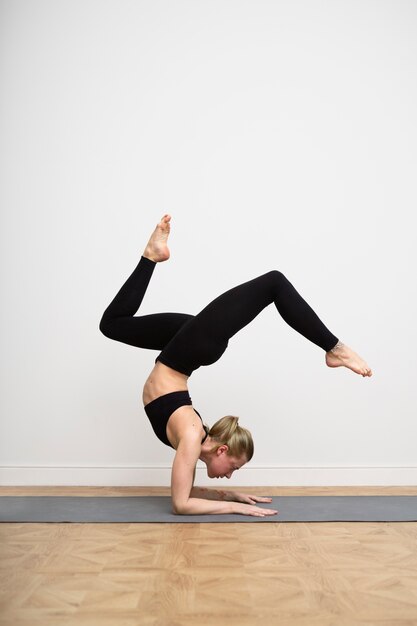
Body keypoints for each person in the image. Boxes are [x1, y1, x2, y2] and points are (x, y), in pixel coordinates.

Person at [100, 215, 372, 517]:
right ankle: (335, 349)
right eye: (234, 468)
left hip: (185, 349)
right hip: (188, 350)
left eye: (232, 473)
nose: (229, 474)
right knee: (273, 283)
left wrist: (229, 496)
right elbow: (182, 503)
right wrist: (233, 505)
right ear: (222, 450)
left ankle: (151, 255)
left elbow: (183, 498)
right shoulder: (192, 436)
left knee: (112, 325)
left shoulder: (192, 439)